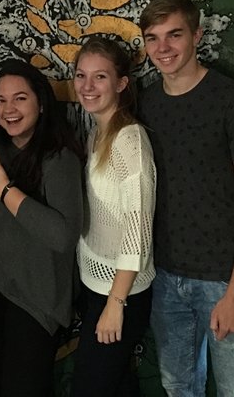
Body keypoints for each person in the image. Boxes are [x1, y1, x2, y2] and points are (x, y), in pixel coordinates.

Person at [137, 0, 234, 397]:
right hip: (164, 276)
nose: (163, 47)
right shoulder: (145, 104)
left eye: (174, 35)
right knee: (178, 388)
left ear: (196, 35)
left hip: (223, 277)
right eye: (153, 38)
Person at [0, 59, 83, 397]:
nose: (9, 109)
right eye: (0, 100)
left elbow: (63, 236)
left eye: (20, 98)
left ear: (41, 103)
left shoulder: (59, 157)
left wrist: (6, 192)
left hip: (35, 298)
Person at [70, 37, 156, 397]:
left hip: (121, 293)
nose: (87, 86)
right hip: (95, 285)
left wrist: (115, 304)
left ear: (121, 84)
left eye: (100, 77)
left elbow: (138, 233)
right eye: (81, 75)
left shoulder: (129, 141)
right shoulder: (97, 132)